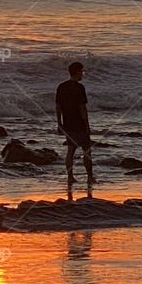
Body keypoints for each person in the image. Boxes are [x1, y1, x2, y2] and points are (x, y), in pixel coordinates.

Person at [56, 61, 94, 189]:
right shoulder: (79, 88)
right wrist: (87, 126)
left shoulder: (61, 87)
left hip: (67, 123)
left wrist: (59, 123)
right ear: (77, 72)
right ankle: (89, 176)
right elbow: (82, 108)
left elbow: (58, 107)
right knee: (86, 150)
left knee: (70, 150)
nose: (83, 73)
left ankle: (70, 177)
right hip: (79, 123)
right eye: (82, 71)